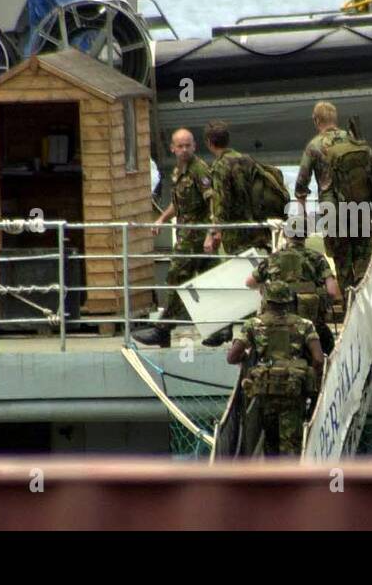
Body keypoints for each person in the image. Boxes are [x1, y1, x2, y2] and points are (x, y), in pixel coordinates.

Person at [294, 101, 372, 293]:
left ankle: (350, 311)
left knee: (343, 266)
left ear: (316, 120)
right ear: (335, 119)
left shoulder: (314, 146)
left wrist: (301, 215)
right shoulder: (356, 143)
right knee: (363, 263)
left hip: (333, 212)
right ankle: (366, 307)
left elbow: (302, 184)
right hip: (361, 208)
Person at [133, 129, 213, 348]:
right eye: (180, 146)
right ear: (173, 148)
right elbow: (177, 204)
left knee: (176, 279)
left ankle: (163, 330)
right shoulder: (179, 171)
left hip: (197, 237)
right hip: (185, 234)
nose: (184, 150)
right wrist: (161, 220)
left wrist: (211, 234)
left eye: (188, 145)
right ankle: (215, 330)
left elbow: (213, 203)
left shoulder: (199, 170)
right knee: (199, 281)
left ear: (195, 146)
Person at [226, 282, 325, 456]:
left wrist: (247, 359)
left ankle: (272, 479)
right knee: (292, 445)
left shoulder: (253, 324)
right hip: (294, 392)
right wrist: (310, 379)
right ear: (288, 302)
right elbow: (318, 358)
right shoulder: (305, 324)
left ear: (266, 301)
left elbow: (232, 357)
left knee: (270, 442)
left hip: (266, 392)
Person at [246, 233, 340, 354]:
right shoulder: (317, 258)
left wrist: (265, 287)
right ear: (305, 236)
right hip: (312, 325)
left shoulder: (274, 258)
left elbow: (249, 282)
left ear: (286, 235)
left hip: (276, 326)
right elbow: (332, 291)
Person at [203, 120, 272, 256]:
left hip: (236, 235)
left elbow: (221, 204)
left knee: (240, 272)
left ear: (209, 143)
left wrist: (212, 234)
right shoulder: (247, 160)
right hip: (258, 229)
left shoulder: (220, 166)